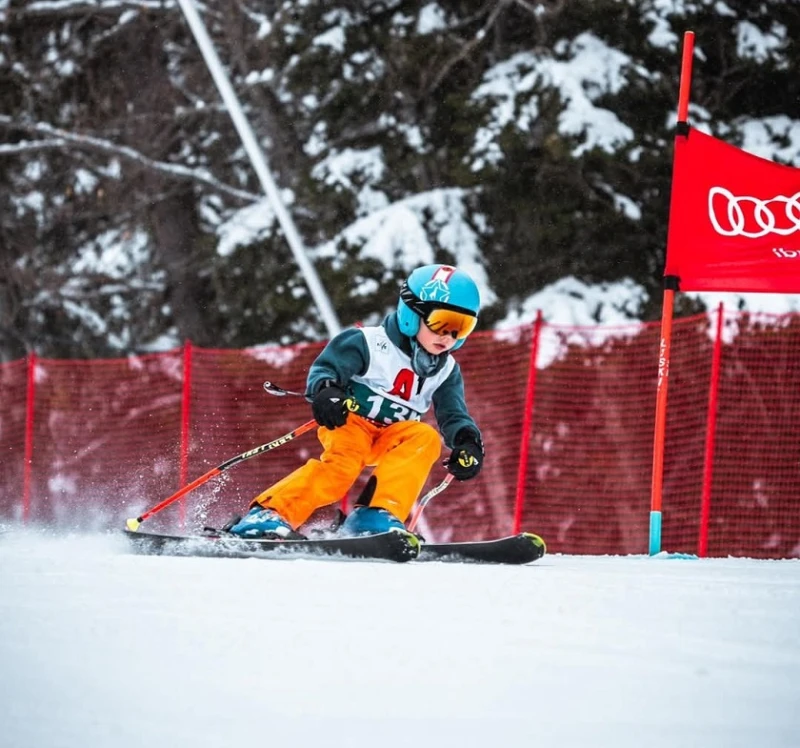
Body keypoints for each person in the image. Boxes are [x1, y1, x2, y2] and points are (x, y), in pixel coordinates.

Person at [228, 263, 485, 539]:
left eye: (462, 327)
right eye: (442, 323)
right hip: (350, 423)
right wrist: (327, 391)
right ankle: (270, 513)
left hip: (392, 435)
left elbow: (453, 413)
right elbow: (327, 369)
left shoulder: (446, 370)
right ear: (412, 312)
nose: (449, 336)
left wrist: (467, 442)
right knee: (341, 469)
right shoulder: (369, 342)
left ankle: (375, 516)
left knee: (424, 438)